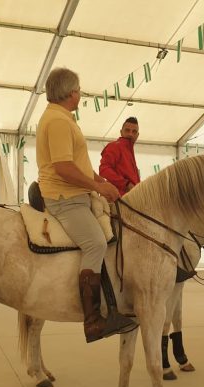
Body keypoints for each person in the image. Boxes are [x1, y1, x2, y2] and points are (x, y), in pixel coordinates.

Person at [36, 67, 136, 343]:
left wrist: (103, 182)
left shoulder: (62, 118)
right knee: (96, 243)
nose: (80, 95)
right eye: (78, 90)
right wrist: (97, 187)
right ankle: (92, 320)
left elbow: (78, 164)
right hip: (64, 198)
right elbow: (63, 168)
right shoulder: (57, 121)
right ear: (70, 93)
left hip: (76, 193)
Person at [99, 117, 141, 195]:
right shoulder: (114, 146)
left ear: (137, 135)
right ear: (121, 132)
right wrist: (126, 184)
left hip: (130, 200)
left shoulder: (130, 152)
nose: (130, 134)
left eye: (134, 131)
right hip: (118, 200)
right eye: (127, 130)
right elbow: (104, 170)